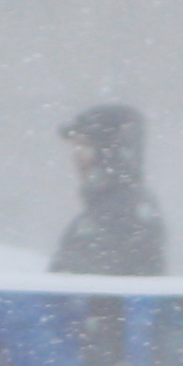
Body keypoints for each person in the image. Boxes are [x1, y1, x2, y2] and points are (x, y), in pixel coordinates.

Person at [51, 104, 166, 276]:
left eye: (85, 144)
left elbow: (94, 286)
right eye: (75, 145)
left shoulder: (123, 214)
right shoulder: (109, 210)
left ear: (112, 151)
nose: (76, 155)